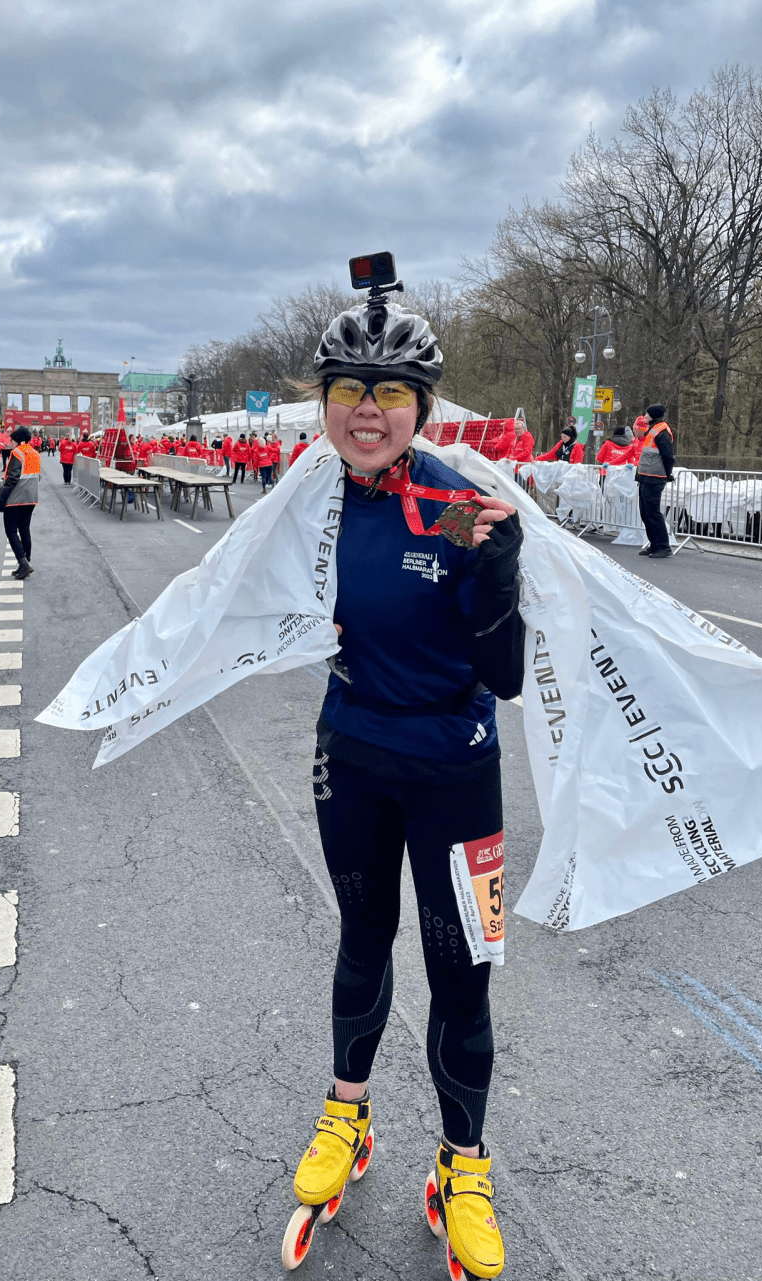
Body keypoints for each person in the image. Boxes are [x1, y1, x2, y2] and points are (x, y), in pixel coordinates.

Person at [279, 287, 523, 1280]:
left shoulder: (459, 505)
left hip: (455, 774)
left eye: (389, 391)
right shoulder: (304, 502)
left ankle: (462, 1166)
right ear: (325, 400)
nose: (366, 409)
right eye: (348, 389)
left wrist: (496, 572)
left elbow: (505, 676)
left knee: (463, 977)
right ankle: (347, 1115)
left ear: (421, 405)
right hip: (353, 762)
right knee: (360, 941)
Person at [0, 425, 39, 579]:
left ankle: (23, 563)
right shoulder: (35, 453)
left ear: (18, 440)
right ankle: (25, 562)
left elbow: (13, 478)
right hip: (31, 497)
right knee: (24, 529)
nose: (11, 443)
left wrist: (2, 499)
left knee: (11, 530)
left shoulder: (17, 453)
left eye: (12, 440)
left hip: (16, 498)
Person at [634, 403, 675, 558]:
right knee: (645, 513)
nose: (644, 416)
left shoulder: (662, 431)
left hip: (654, 477)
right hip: (646, 476)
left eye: (647, 414)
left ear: (653, 415)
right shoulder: (654, 429)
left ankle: (663, 547)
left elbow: (668, 456)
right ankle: (654, 544)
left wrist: (667, 473)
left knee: (653, 513)